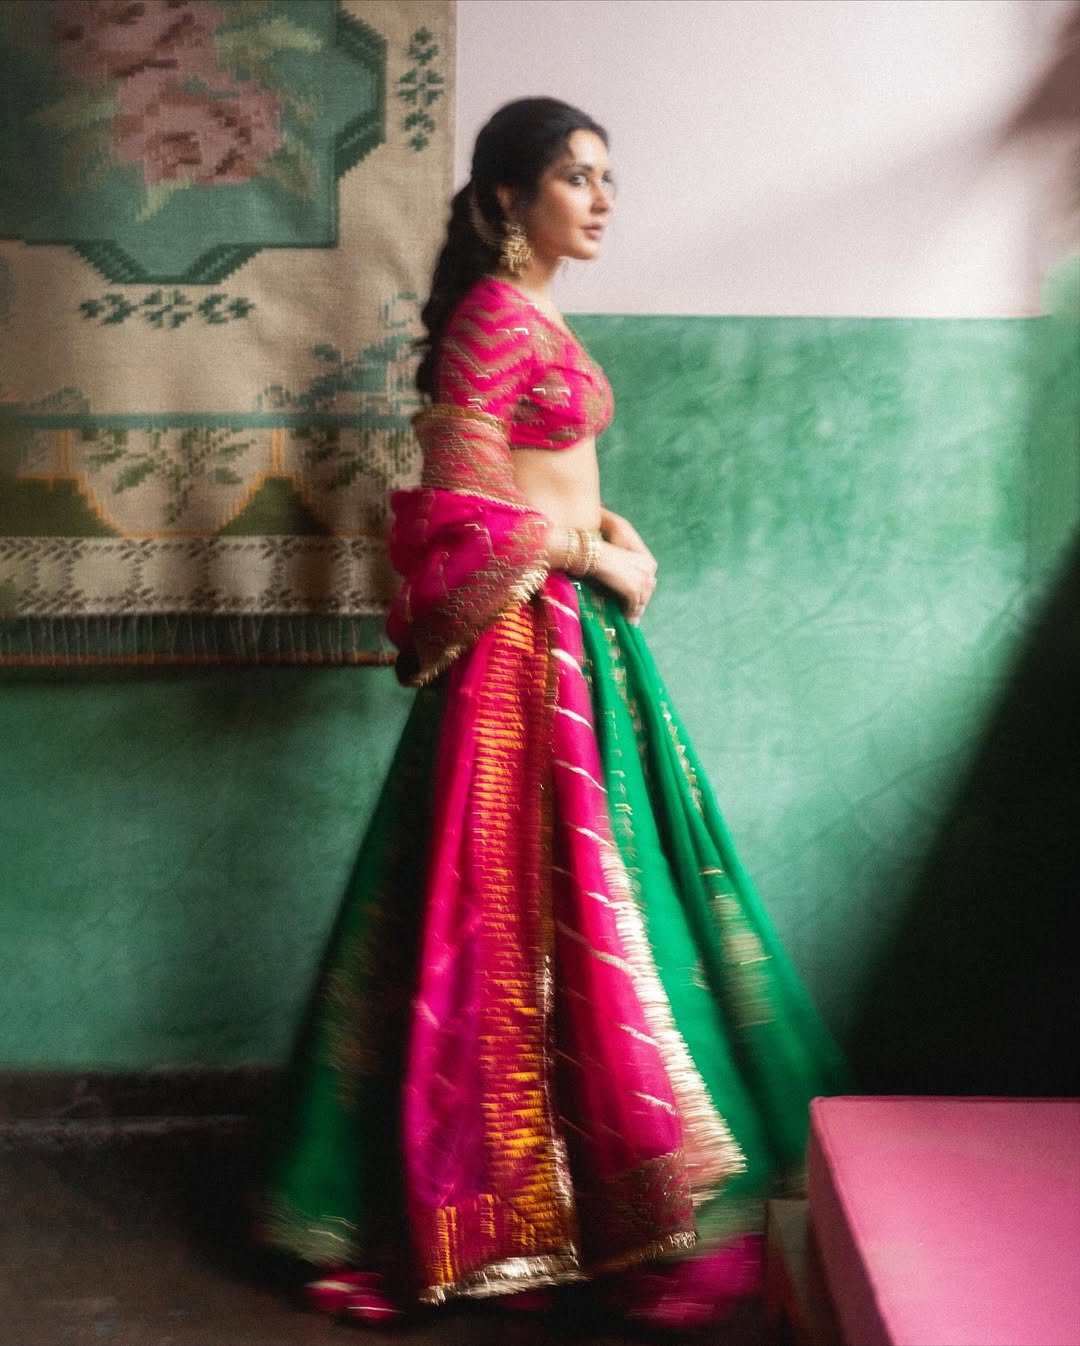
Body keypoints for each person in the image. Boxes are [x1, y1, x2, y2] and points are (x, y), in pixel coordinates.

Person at [256, 97, 848, 1329]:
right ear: (505, 199)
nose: (602, 198)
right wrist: (592, 551)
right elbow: (459, 509)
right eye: (576, 177)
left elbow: (548, 474)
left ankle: (607, 1197)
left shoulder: (536, 312)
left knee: (606, 894)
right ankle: (522, 1212)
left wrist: (613, 532)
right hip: (524, 648)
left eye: (606, 176)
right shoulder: (489, 316)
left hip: (579, 628)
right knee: (520, 913)